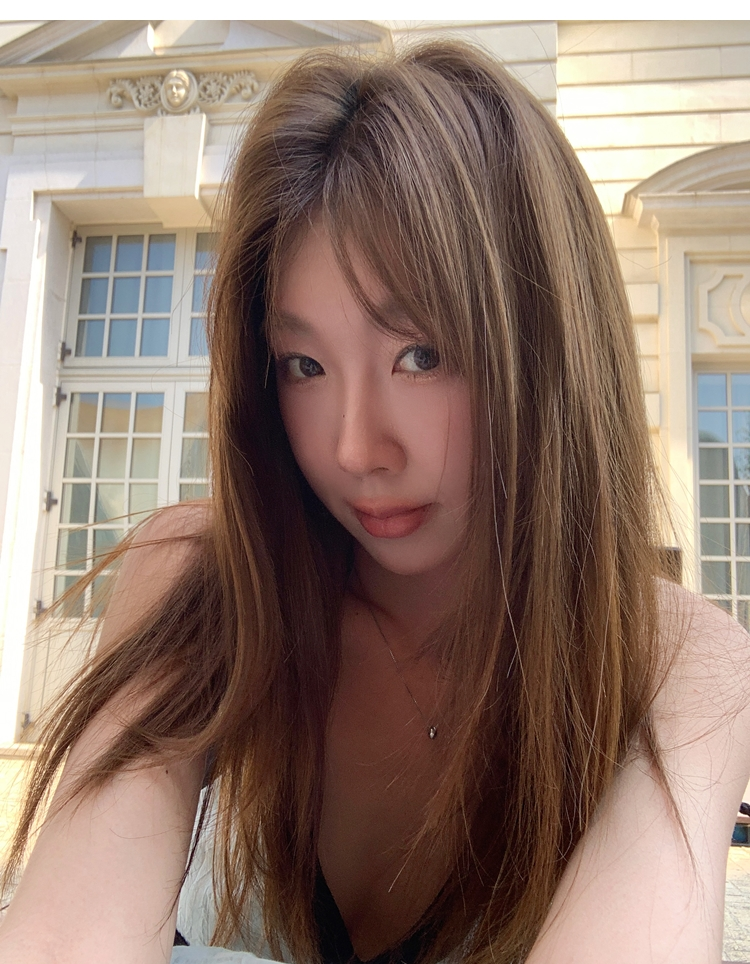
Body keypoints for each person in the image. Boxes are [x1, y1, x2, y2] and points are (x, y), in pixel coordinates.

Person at [1, 40, 749, 964]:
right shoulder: (207, 584)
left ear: (546, 348)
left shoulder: (675, 662)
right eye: (304, 365)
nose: (356, 448)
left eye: (420, 355)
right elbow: (68, 936)